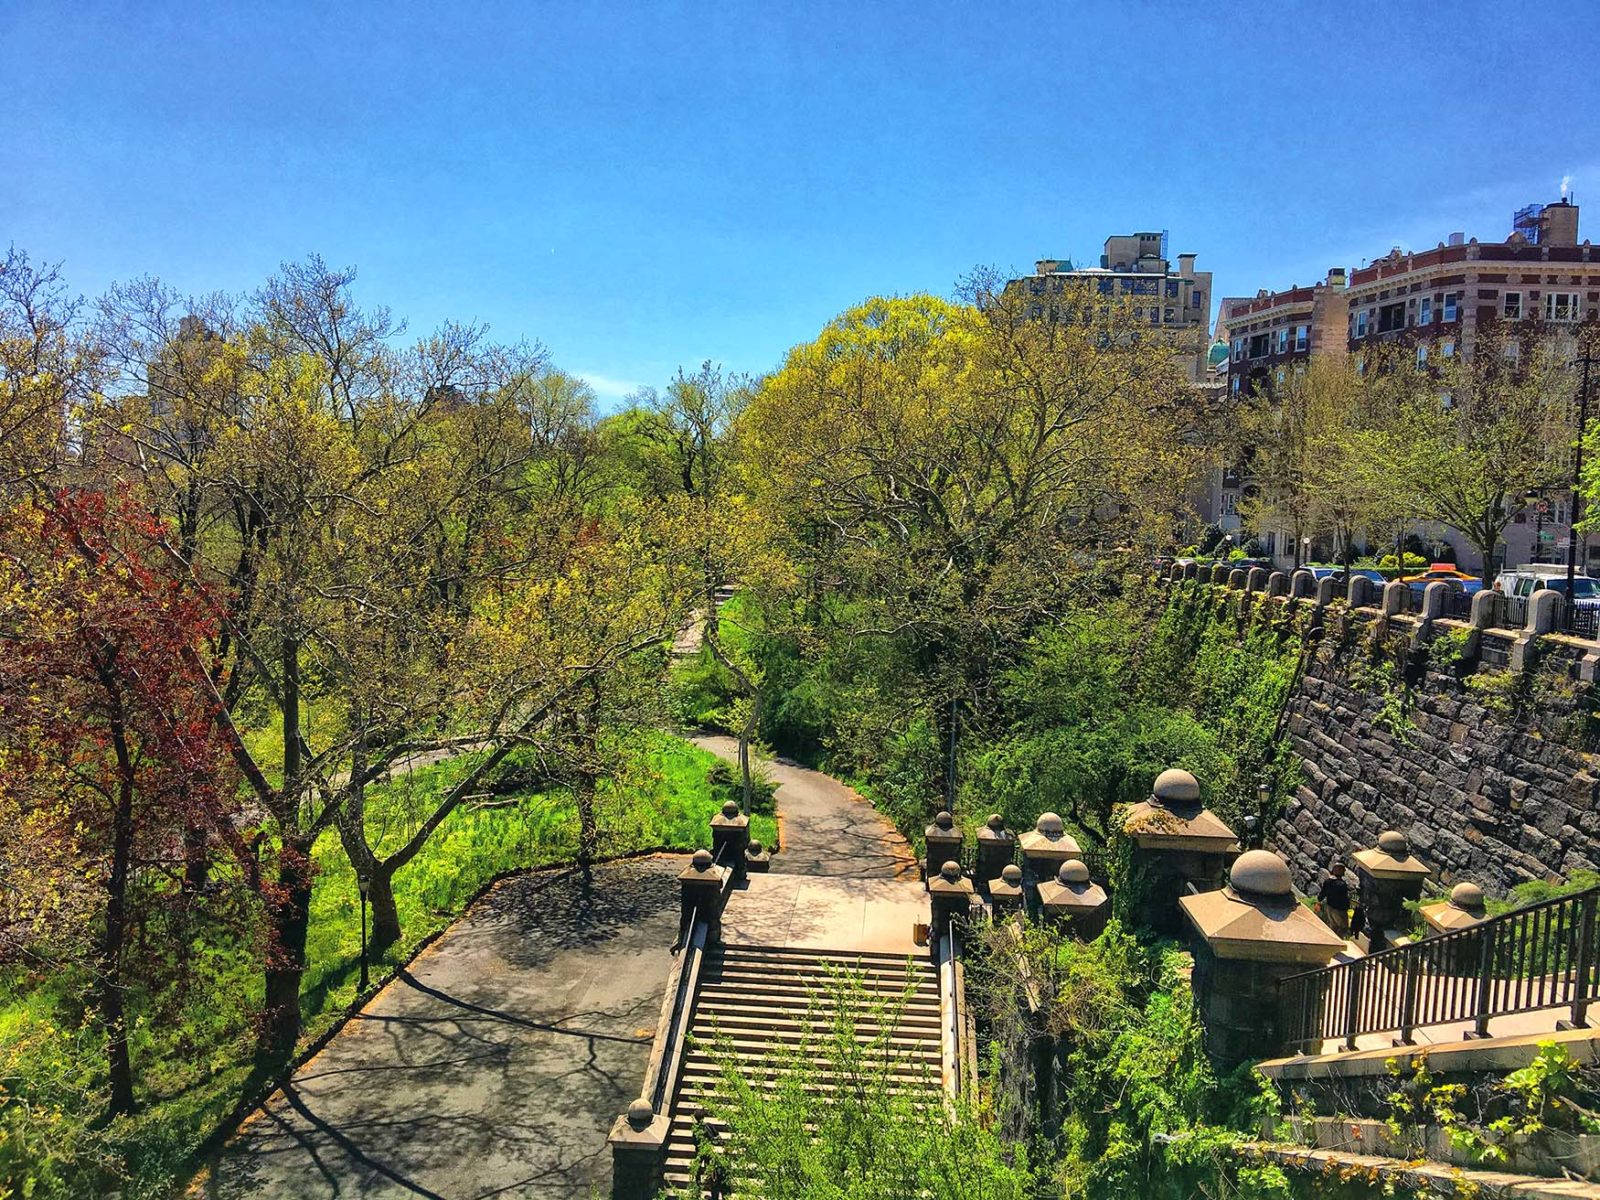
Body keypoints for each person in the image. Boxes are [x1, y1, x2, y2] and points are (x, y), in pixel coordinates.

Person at [1316, 861, 1352, 938]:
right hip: (1339, 910)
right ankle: (1338, 944)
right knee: (1343, 928)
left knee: (1333, 927)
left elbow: (1322, 895)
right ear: (1339, 871)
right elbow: (1343, 898)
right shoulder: (1342, 884)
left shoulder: (1327, 881)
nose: (1344, 871)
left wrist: (1318, 902)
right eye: (1343, 870)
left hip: (1329, 908)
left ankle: (1332, 941)